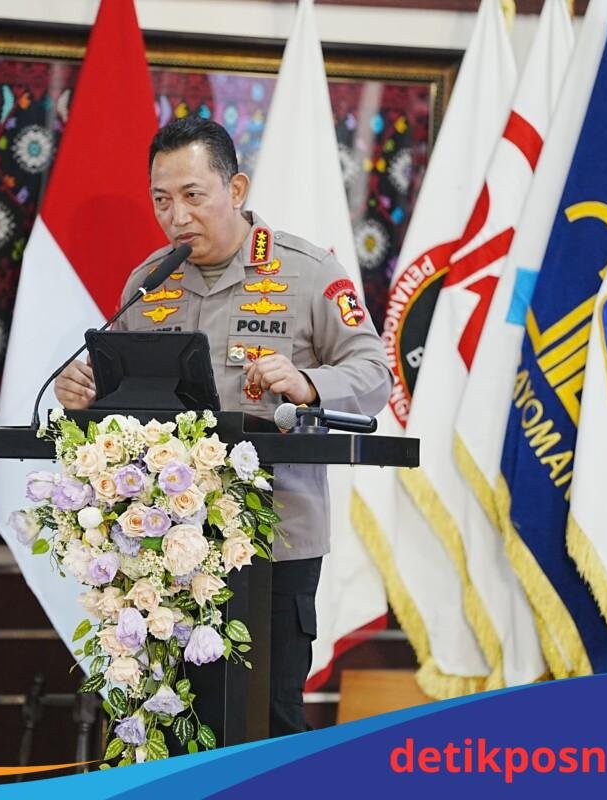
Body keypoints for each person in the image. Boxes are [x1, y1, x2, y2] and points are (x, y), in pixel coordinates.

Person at [54, 117, 391, 738]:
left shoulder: (308, 272)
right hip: (164, 548)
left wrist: (309, 382)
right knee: (171, 725)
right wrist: (86, 397)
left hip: (273, 540)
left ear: (235, 189)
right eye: (161, 199)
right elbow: (121, 400)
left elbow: (375, 373)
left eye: (192, 195)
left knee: (267, 721)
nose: (176, 216)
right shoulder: (149, 283)